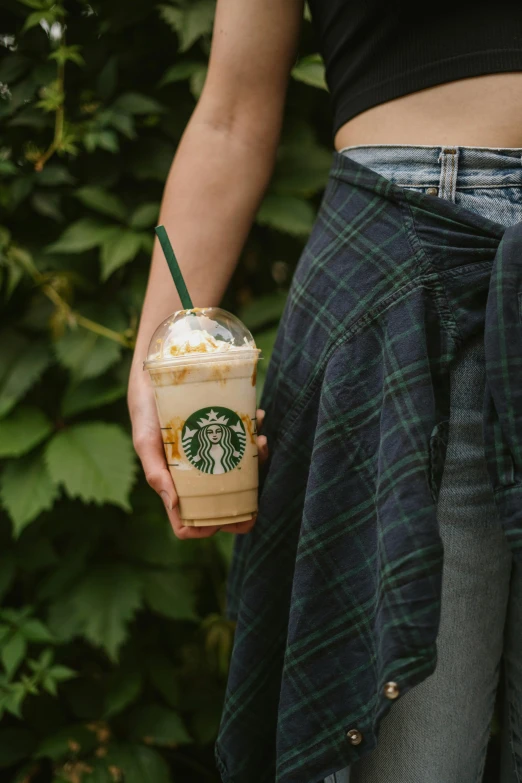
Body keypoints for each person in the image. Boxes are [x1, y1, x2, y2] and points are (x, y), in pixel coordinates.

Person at [128, 1, 522, 781]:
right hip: (405, 283)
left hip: (403, 278)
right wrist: (158, 348)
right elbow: (232, 115)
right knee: (419, 759)